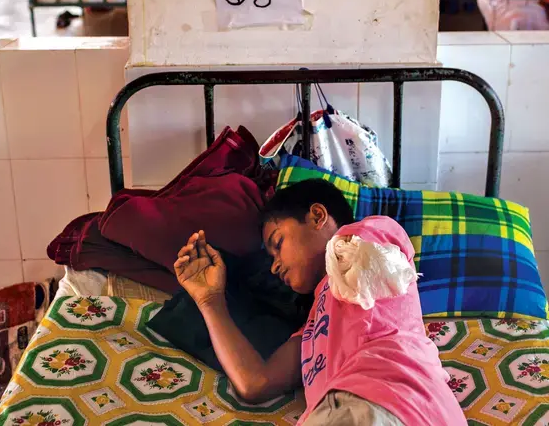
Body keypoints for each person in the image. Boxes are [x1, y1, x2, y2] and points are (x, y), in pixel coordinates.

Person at [174, 179, 467, 425]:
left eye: (278, 245)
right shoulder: (315, 326)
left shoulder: (367, 238)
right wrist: (210, 299)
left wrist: (343, 243)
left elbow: (378, 251)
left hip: (388, 398)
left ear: (317, 216)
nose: (275, 267)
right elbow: (255, 383)